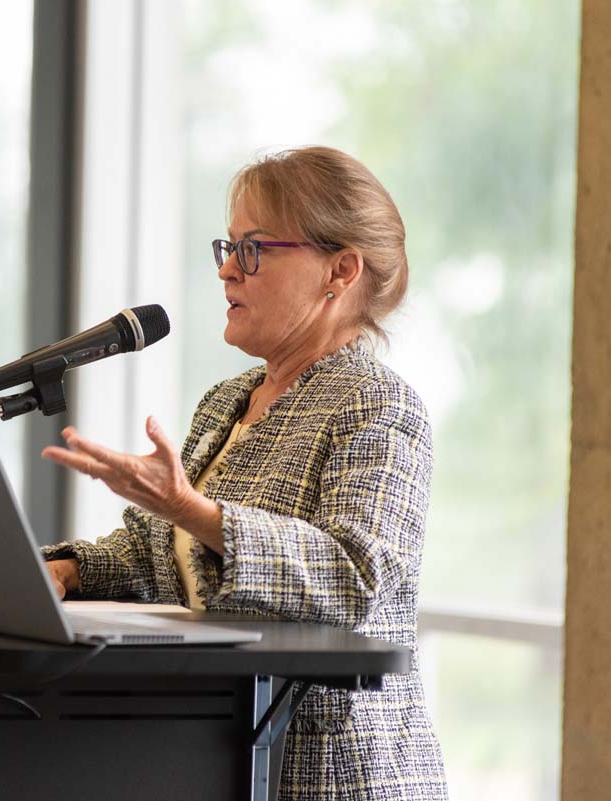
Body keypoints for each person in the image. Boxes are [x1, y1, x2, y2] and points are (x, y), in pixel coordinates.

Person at [39, 146, 449, 801]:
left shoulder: (378, 405)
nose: (228, 270)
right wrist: (66, 571)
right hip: (217, 761)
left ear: (340, 270)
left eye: (253, 249)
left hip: (329, 777)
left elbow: (356, 577)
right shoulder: (227, 401)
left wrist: (191, 509)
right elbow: (159, 556)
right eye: (226, 248)